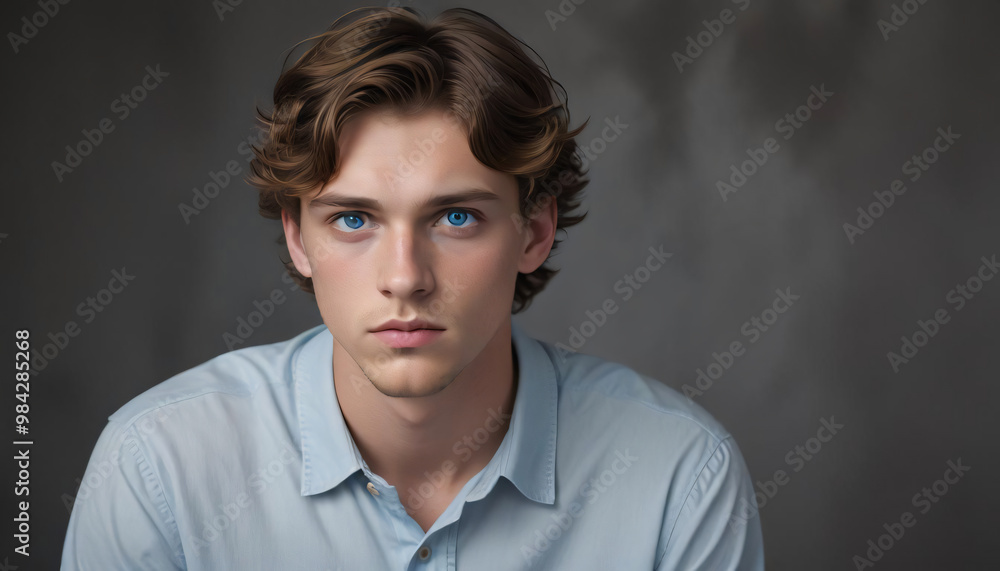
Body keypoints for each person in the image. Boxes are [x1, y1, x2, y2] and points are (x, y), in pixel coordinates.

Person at [61, 6, 764, 570]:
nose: (404, 277)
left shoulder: (678, 477)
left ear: (534, 231)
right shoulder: (158, 466)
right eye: (354, 219)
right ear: (299, 239)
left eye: (456, 217)